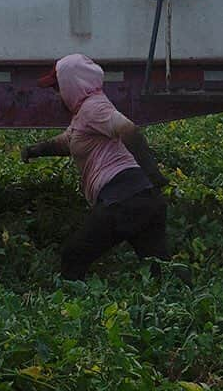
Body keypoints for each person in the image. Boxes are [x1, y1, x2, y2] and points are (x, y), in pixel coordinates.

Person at [21, 54, 173, 280]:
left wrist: (153, 173)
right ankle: (186, 308)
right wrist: (35, 150)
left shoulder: (94, 107)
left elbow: (128, 129)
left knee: (74, 255)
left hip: (123, 198)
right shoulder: (84, 113)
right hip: (143, 198)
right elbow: (68, 141)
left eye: (58, 87)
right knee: (161, 270)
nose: (57, 94)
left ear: (72, 85)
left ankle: (70, 308)